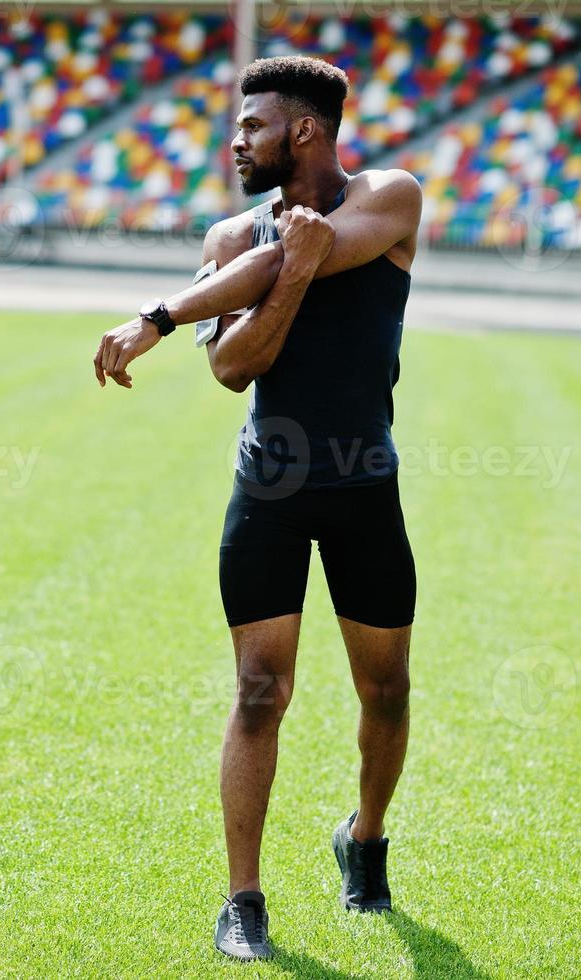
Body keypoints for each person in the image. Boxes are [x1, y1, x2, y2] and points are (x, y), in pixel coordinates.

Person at [90, 55, 423, 961]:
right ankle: (243, 900)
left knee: (384, 691)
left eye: (251, 126)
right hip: (268, 490)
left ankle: (364, 838)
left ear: (303, 130)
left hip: (364, 485)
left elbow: (310, 249)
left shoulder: (391, 197)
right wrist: (279, 274)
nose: (233, 141)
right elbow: (235, 367)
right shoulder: (228, 238)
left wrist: (152, 318)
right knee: (258, 691)